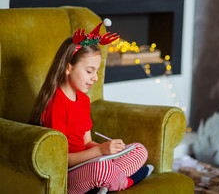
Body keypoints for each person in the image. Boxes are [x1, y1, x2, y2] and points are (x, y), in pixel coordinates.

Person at [30, 23, 153, 194]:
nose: (95, 78)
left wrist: (110, 150)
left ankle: (104, 184)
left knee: (139, 150)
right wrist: (101, 152)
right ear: (68, 67)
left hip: (89, 162)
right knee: (101, 167)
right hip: (69, 173)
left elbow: (86, 142)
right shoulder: (55, 104)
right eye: (89, 71)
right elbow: (60, 161)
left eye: (96, 71)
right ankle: (126, 181)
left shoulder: (84, 100)